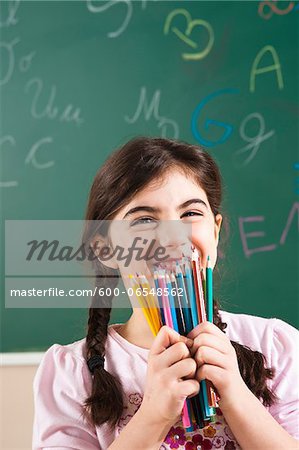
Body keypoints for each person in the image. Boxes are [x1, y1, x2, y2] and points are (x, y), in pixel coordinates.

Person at [32, 137, 299, 450]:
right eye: (144, 219)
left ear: (214, 233)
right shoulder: (71, 372)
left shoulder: (275, 345)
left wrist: (235, 394)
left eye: (190, 214)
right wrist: (154, 415)